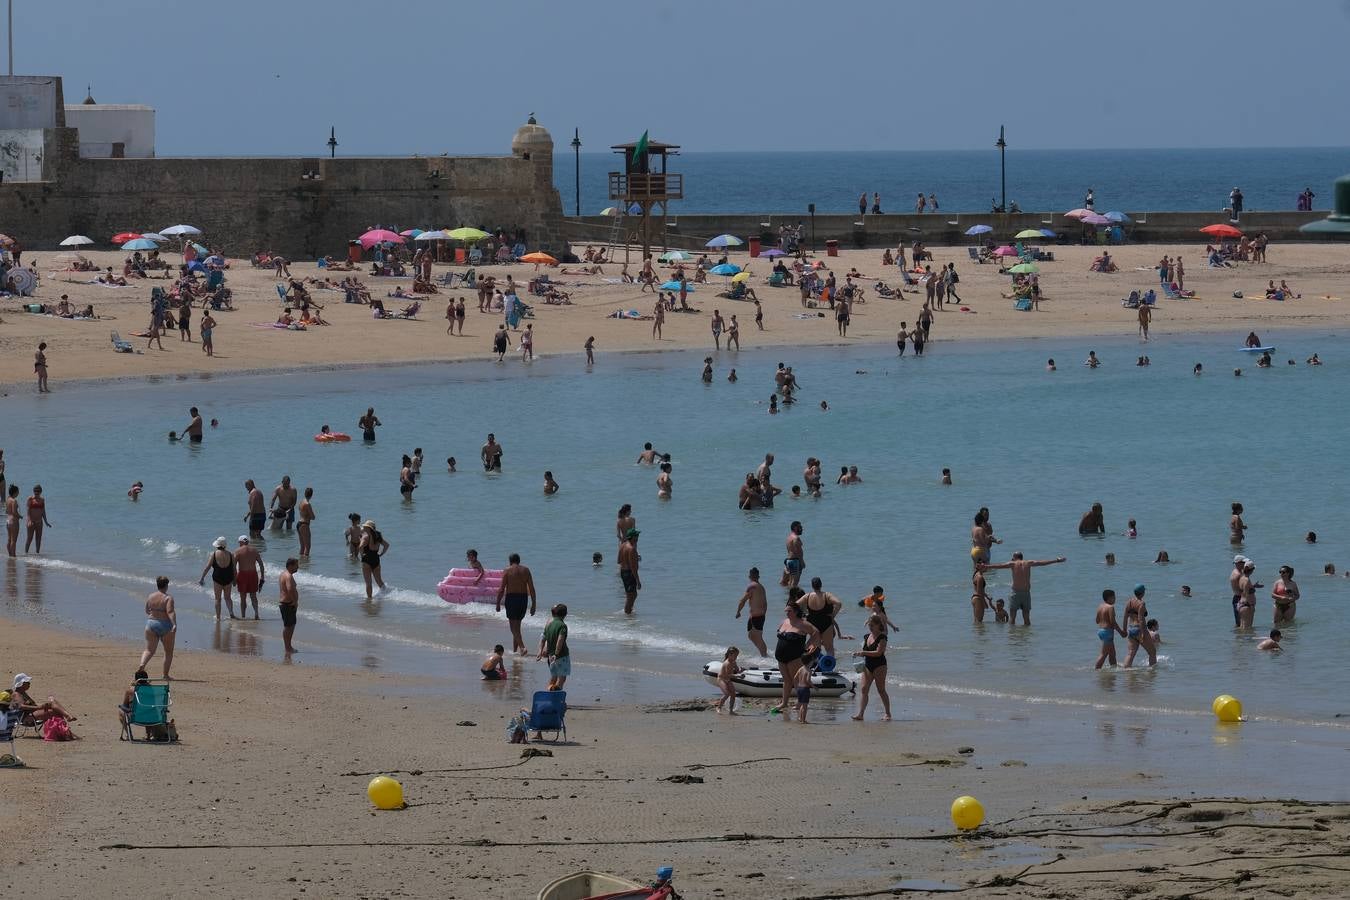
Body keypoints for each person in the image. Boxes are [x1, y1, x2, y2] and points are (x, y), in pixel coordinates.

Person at [978, 552, 1066, 626]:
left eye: (1012, 558)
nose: (1012, 559)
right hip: (1026, 593)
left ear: (1015, 558)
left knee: (1012, 619)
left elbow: (1000, 566)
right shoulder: (1029, 562)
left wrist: (986, 566)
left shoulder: (1012, 564)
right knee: (1026, 618)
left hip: (1015, 593)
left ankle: (1013, 639)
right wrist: (1056, 560)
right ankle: (1026, 640)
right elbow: (1042, 563)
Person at [770, 602, 819, 718]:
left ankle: (800, 702)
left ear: (796, 611)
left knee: (796, 680)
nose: (787, 613)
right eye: (786, 611)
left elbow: (816, 633)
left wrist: (809, 644)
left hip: (795, 657)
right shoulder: (784, 622)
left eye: (789, 611)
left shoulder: (803, 624)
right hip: (781, 657)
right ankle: (784, 703)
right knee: (786, 680)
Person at [851, 615, 892, 721]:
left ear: (879, 625)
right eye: (869, 625)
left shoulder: (882, 638)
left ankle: (887, 713)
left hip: (880, 665)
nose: (870, 627)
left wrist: (864, 652)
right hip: (867, 665)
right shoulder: (866, 637)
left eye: (872, 625)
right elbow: (864, 651)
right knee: (864, 689)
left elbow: (879, 653)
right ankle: (860, 714)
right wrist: (858, 653)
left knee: (881, 690)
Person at [495, 553, 537, 654]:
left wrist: (497, 603)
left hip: (512, 598)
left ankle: (522, 647)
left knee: (513, 627)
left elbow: (501, 589)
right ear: (519, 561)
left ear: (510, 561)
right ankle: (515, 652)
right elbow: (531, 588)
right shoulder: (526, 570)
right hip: (523, 599)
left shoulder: (507, 570)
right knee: (517, 627)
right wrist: (534, 604)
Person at [140, 576, 177, 679]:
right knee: (168, 652)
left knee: (149, 650)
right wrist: (174, 624)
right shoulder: (168, 598)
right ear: (166, 585)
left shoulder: (151, 596)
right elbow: (170, 612)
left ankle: (142, 664)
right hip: (165, 625)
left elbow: (147, 610)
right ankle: (165, 675)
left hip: (151, 624)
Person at [797, 577, 843, 657]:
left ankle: (812, 665)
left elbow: (795, 605)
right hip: (826, 623)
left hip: (813, 624)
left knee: (815, 647)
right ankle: (829, 666)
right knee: (829, 648)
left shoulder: (807, 596)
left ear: (812, 586)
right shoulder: (827, 595)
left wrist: (803, 615)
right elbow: (838, 603)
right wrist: (833, 615)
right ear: (821, 585)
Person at [11, 673, 76, 727]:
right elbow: (21, 706)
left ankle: (65, 724)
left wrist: (43, 706)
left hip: (32, 714)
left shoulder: (23, 693)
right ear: (21, 684)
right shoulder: (16, 694)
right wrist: (39, 707)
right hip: (26, 718)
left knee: (52, 701)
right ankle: (65, 727)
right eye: (27, 682)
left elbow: (32, 705)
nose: (29, 683)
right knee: (55, 711)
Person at [200, 537, 237, 619]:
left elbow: (207, 567)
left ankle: (218, 617)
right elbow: (234, 569)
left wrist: (202, 578)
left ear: (217, 545)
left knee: (217, 599)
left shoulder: (214, 554)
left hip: (218, 578)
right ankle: (231, 613)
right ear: (225, 545)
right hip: (228, 577)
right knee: (228, 598)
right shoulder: (231, 555)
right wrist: (235, 580)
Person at [735, 567, 769, 656]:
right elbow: (765, 603)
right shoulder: (761, 587)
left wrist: (738, 612)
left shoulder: (752, 586)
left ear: (750, 576)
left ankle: (765, 656)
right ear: (758, 576)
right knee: (752, 636)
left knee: (757, 637)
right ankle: (764, 654)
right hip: (759, 616)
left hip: (757, 616)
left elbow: (743, 600)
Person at [1122, 585, 1157, 667]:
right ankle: (1152, 673)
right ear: (1143, 593)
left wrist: (1124, 630)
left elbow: (1125, 617)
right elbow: (1141, 619)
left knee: (1130, 653)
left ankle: (1126, 672)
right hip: (1140, 629)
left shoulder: (1129, 602)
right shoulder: (1141, 603)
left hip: (1131, 629)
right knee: (1152, 652)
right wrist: (1142, 634)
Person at [538, 603, 570, 691]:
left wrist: (540, 651)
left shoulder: (549, 624)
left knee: (554, 677)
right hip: (561, 655)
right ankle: (556, 697)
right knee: (561, 678)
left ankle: (548, 694)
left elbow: (543, 638)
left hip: (550, 656)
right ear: (565, 614)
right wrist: (556, 653)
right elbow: (560, 640)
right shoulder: (562, 626)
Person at [233, 535, 265, 619]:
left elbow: (233, 567)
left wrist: (234, 579)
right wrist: (262, 577)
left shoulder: (237, 551)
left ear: (241, 542)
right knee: (253, 596)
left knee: (243, 597)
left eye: (239, 543)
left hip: (242, 575)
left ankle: (243, 616)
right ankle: (257, 614)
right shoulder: (254, 550)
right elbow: (261, 564)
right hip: (253, 574)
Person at [358, 520, 389, 600]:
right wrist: (381, 554)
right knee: (379, 581)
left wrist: (362, 555)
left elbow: (360, 547)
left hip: (367, 559)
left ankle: (369, 600)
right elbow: (386, 545)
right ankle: (386, 596)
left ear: (368, 528)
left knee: (368, 583)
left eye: (365, 527)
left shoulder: (366, 536)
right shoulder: (378, 536)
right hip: (376, 559)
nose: (363, 528)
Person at [1094, 589, 1125, 669]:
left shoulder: (1100, 606)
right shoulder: (1110, 607)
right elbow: (1113, 622)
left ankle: (1114, 669)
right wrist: (1121, 632)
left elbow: (1097, 621)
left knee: (1112, 653)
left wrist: (1104, 619)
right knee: (1103, 654)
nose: (1115, 599)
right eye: (1114, 597)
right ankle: (1096, 670)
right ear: (1109, 598)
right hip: (1107, 632)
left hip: (1101, 631)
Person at [278, 557, 300, 654]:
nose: (298, 567)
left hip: (286, 604)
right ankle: (288, 648)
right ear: (290, 565)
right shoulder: (288, 576)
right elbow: (290, 589)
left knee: (290, 626)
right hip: (287, 604)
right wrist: (294, 601)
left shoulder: (284, 574)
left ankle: (288, 646)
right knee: (289, 627)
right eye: (296, 565)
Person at [618, 528, 641, 614]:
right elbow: (633, 568)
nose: (638, 537)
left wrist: (627, 558)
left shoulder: (622, 545)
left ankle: (628, 612)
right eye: (637, 536)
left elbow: (619, 561)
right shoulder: (632, 549)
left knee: (630, 595)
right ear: (633, 537)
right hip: (629, 573)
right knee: (632, 595)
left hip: (623, 572)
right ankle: (627, 614)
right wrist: (638, 581)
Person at [24, 484, 51, 554]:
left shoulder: (42, 500)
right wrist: (29, 520)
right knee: (29, 538)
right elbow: (28, 511)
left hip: (39, 522)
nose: (36, 492)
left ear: (41, 492)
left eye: (38, 491)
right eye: (35, 491)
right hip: (31, 521)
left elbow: (43, 511)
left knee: (38, 538)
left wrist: (46, 522)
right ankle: (26, 553)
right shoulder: (30, 499)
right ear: (33, 491)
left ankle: (37, 553)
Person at [714, 647, 741, 714]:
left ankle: (731, 710)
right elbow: (727, 675)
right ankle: (718, 707)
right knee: (727, 694)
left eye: (737, 656)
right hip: (721, 679)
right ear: (729, 655)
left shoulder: (734, 662)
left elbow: (737, 670)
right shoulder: (727, 663)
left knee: (733, 694)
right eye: (735, 656)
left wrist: (740, 671)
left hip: (727, 679)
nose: (736, 657)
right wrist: (737, 676)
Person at [782, 520, 805, 588]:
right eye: (800, 527)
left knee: (786, 582)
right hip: (795, 561)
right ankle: (792, 598)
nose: (801, 529)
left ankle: (785, 596)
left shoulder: (789, 537)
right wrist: (802, 562)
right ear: (795, 528)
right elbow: (797, 551)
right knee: (794, 584)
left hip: (788, 561)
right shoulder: (796, 538)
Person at [792, 657, 812, 724]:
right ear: (810, 662)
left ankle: (801, 718)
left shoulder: (800, 669)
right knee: (805, 706)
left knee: (801, 705)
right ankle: (803, 720)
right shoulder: (809, 670)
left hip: (799, 688)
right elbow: (808, 680)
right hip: (805, 689)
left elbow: (795, 677)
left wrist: (796, 686)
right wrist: (814, 687)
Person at [297, 487, 315, 557]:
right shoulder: (307, 504)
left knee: (302, 546)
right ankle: (305, 564)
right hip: (304, 524)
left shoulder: (301, 502)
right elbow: (313, 517)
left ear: (305, 493)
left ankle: (300, 562)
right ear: (311, 495)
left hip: (299, 523)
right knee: (307, 547)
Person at [6, 484, 20, 557]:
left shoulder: (8, 499)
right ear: (15, 492)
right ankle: (13, 555)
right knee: (13, 540)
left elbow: (6, 511)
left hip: (8, 520)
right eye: (18, 492)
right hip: (14, 521)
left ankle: (10, 554)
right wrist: (20, 516)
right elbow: (14, 512)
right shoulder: (14, 501)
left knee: (9, 539)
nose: (18, 493)